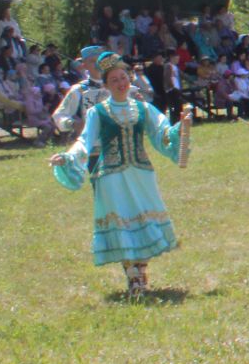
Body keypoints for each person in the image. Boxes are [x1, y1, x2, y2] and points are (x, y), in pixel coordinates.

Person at [48, 52, 191, 298]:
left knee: (145, 221)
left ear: (129, 79)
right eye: (114, 80)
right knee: (122, 223)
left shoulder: (144, 109)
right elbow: (85, 141)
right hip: (111, 177)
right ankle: (133, 277)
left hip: (141, 173)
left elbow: (162, 133)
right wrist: (68, 157)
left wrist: (181, 127)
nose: (120, 83)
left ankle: (141, 273)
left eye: (123, 77)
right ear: (106, 85)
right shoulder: (98, 112)